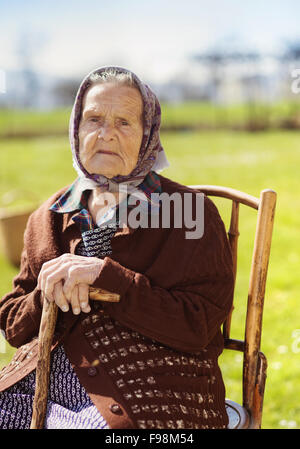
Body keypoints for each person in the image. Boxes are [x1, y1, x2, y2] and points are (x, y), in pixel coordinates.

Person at [0, 66, 234, 429]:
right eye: (93, 119)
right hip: (43, 382)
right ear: (76, 129)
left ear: (148, 135)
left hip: (150, 386)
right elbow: (14, 325)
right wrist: (46, 291)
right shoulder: (48, 216)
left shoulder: (189, 211)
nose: (106, 134)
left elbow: (198, 325)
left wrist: (105, 277)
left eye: (124, 122)